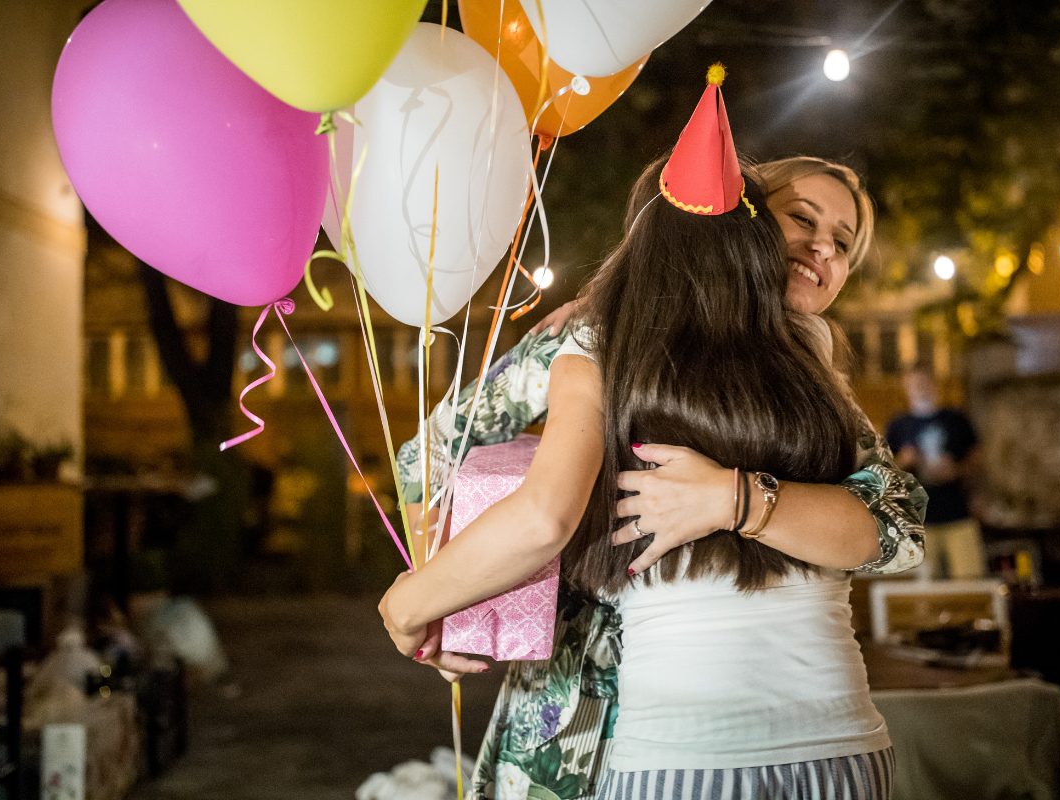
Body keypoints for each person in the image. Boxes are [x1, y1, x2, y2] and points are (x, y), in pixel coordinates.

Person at [386, 77, 926, 799]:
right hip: (591, 722)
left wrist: (740, 499)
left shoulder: (813, 370)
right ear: (741, 215)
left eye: (843, 245)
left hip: (803, 727)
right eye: (802, 218)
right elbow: (432, 457)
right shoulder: (595, 337)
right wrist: (456, 601)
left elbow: (895, 527)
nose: (821, 248)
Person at [886, 364, 983, 579]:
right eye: (914, 384)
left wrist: (957, 469)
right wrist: (904, 460)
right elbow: (885, 471)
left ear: (935, 384)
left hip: (957, 514)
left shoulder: (956, 419)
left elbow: (977, 458)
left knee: (969, 579)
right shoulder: (898, 425)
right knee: (925, 584)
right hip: (919, 520)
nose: (920, 389)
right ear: (906, 388)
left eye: (925, 383)